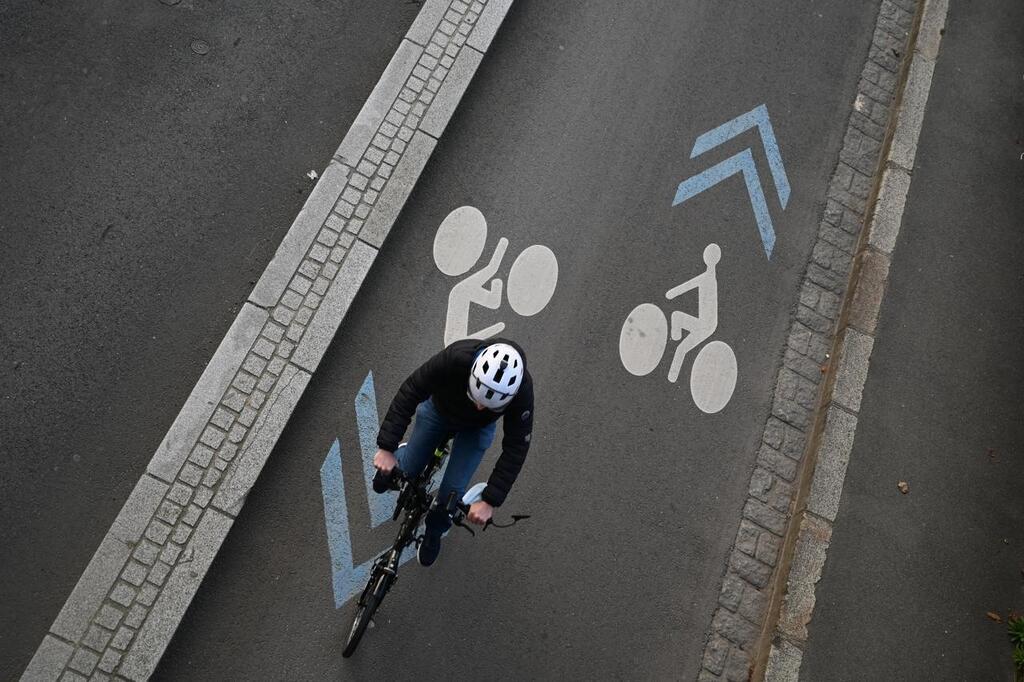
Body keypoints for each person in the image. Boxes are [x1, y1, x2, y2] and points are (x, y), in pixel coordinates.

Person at [372, 339, 534, 567]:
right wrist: (386, 447)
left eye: (490, 407)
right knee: (408, 466)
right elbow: (412, 389)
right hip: (439, 410)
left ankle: (434, 532)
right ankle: (401, 457)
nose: (479, 408)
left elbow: (517, 447)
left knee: (451, 495)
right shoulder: (457, 357)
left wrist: (490, 500)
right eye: (476, 398)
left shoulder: (522, 390)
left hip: (475, 430)